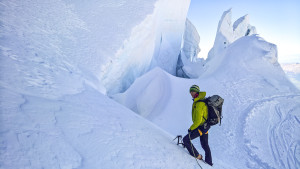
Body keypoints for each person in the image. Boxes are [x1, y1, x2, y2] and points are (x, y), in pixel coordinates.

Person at [182, 85, 213, 166]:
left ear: (197, 92)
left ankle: (197, 156)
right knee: (205, 145)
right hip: (206, 127)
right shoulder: (200, 100)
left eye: (193, 91)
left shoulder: (199, 103)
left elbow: (198, 121)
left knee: (186, 140)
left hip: (201, 127)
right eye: (190, 91)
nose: (191, 93)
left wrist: (190, 129)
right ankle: (209, 163)